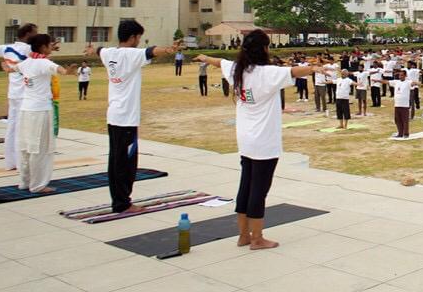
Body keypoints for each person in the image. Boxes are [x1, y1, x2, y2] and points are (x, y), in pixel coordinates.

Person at [196, 30, 323, 249]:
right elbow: (294, 71)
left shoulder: (238, 69)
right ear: (264, 49)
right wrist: (314, 68)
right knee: (258, 191)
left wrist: (206, 58)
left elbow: (221, 62)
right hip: (264, 142)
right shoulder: (267, 73)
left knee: (246, 185)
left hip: (245, 139)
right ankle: (257, 238)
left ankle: (243, 235)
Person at [85, 20, 181, 215]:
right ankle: (122, 203)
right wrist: (170, 49)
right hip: (126, 118)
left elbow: (99, 50)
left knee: (115, 160)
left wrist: (92, 49)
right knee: (125, 163)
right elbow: (152, 51)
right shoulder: (131, 54)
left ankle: (119, 200)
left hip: (114, 115)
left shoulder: (108, 53)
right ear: (133, 37)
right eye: (138, 37)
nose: (139, 41)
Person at [7, 34, 78, 192]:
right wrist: (69, 71)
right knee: (41, 148)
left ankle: (25, 181)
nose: (51, 47)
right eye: (49, 45)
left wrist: (6, 65)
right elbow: (60, 70)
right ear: (43, 47)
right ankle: (38, 185)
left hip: (26, 109)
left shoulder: (27, 62)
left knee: (26, 147)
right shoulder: (44, 63)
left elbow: (11, 68)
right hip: (40, 110)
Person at [0, 23, 38, 171]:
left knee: (12, 127)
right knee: (22, 129)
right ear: (28, 34)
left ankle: (10, 162)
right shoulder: (29, 49)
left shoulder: (6, 48)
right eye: (35, 33)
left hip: (13, 93)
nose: (36, 36)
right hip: (25, 94)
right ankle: (20, 163)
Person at [382, 69, 420, 138]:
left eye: (402, 75)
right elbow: (387, 82)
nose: (400, 76)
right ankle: (400, 133)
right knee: (397, 120)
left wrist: (419, 83)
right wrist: (377, 80)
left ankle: (406, 133)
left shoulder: (408, 82)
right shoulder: (396, 82)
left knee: (405, 120)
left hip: (404, 104)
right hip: (397, 104)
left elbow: (413, 83)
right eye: (399, 75)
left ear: (405, 76)